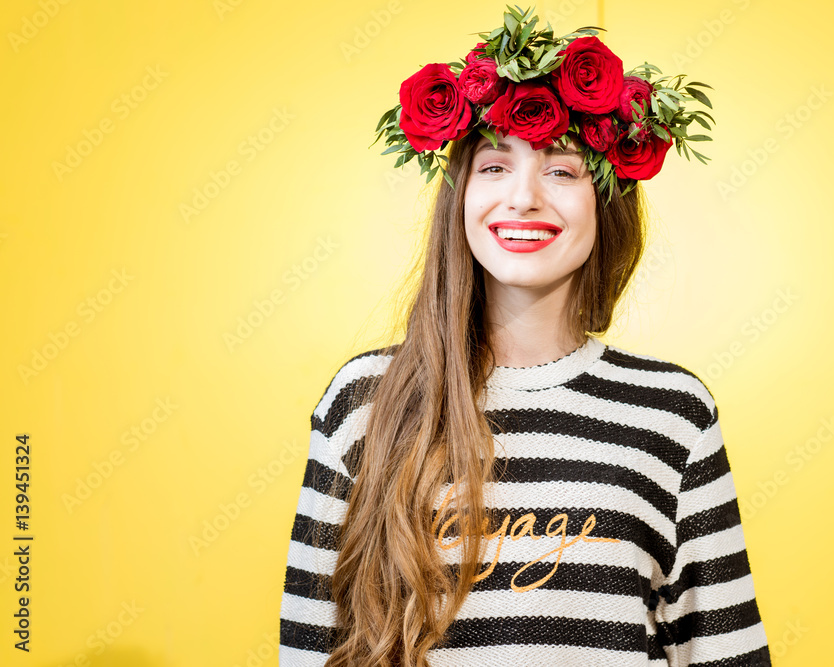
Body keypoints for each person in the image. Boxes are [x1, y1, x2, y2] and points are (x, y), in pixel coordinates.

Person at [280, 8, 769, 666]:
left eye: (562, 171)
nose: (523, 198)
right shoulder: (362, 403)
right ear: (459, 195)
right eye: (494, 167)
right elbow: (309, 649)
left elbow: (726, 653)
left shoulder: (674, 415)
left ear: (606, 201)